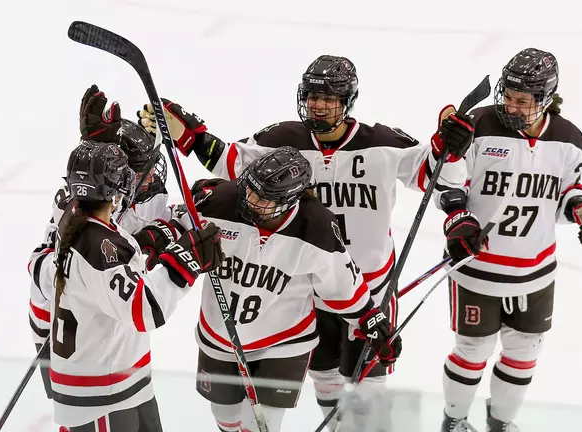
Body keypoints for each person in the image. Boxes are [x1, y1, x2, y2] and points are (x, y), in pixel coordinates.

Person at [137, 54, 474, 430]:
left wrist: (453, 150)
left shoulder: (383, 142)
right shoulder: (281, 140)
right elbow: (232, 165)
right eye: (313, 96)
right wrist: (192, 137)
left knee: (371, 385)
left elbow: (437, 175)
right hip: (305, 287)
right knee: (326, 374)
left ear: (348, 100)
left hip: (372, 286)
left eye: (329, 98)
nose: (318, 105)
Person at [163, 146, 402, 432]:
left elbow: (344, 286)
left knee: (261, 427)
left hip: (284, 343)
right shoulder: (221, 203)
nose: (250, 199)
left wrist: (370, 321)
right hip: (220, 335)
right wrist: (160, 237)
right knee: (225, 417)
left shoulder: (317, 227)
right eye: (250, 188)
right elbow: (172, 227)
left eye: (263, 197)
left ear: (290, 200)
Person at [437, 48, 582, 432]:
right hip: (477, 267)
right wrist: (458, 220)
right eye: (507, 96)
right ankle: (454, 421)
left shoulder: (569, 138)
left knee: (524, 351)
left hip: (536, 273)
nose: (510, 107)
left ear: (545, 99)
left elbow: (564, 194)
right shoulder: (478, 125)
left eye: (522, 101)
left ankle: (501, 423)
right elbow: (449, 183)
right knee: (473, 350)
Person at [33, 139, 224, 431]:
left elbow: (41, 264)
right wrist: (184, 262)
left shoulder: (72, 223)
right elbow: (144, 309)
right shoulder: (99, 245)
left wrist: (169, 232)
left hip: (121, 378)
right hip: (101, 392)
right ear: (119, 188)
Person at [27, 86, 172, 417]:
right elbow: (98, 250)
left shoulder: (141, 198)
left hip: (106, 327)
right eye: (143, 169)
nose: (152, 176)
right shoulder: (70, 208)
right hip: (63, 325)